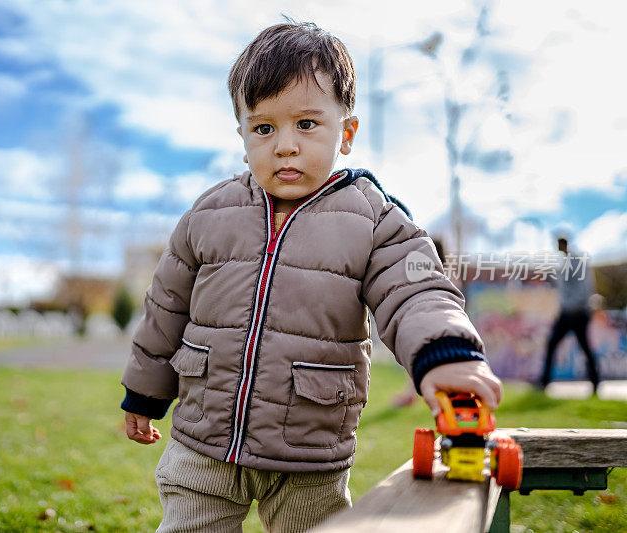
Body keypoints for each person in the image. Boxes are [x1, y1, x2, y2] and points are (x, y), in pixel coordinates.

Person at [120, 21, 502, 532]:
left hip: (309, 452)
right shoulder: (209, 213)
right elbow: (166, 308)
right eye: (263, 128)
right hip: (203, 444)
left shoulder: (375, 220)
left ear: (345, 134)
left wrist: (447, 354)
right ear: (242, 138)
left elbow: (418, 292)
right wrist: (145, 393)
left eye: (306, 124)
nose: (284, 146)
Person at [539, 233, 599, 394]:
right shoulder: (563, 263)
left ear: (563, 244)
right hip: (566, 313)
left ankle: (595, 381)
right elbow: (563, 289)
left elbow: (585, 285)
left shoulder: (577, 261)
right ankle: (544, 382)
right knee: (552, 344)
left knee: (584, 347)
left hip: (577, 313)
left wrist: (577, 305)